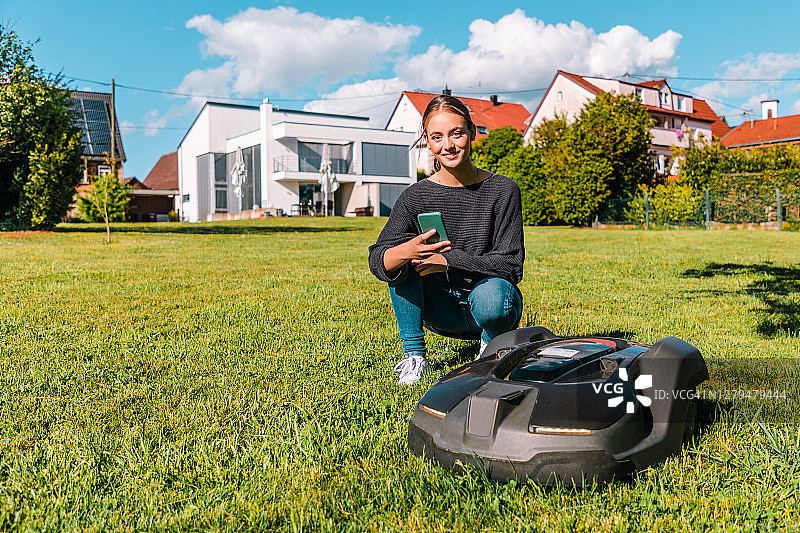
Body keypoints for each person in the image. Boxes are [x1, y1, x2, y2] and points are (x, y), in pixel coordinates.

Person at [368, 95, 525, 385]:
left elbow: (511, 266)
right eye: (437, 136)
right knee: (403, 258)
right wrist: (406, 250)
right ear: (427, 140)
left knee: (495, 296)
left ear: (472, 133)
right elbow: (379, 260)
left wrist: (448, 260)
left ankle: (489, 349)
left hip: (491, 305)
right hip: (439, 309)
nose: (448, 145)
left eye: (456, 133)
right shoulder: (415, 196)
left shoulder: (503, 190)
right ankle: (415, 356)